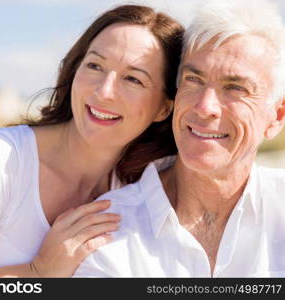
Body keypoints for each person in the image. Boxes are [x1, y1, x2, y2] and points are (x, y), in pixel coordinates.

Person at [0, 5, 184, 277]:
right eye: (94, 65)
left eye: (133, 79)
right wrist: (38, 272)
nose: (104, 91)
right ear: (74, 70)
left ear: (165, 108)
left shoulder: (141, 190)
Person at [74, 0, 285, 277]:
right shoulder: (107, 230)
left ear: (276, 118)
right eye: (193, 80)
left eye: (235, 88)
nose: (204, 107)